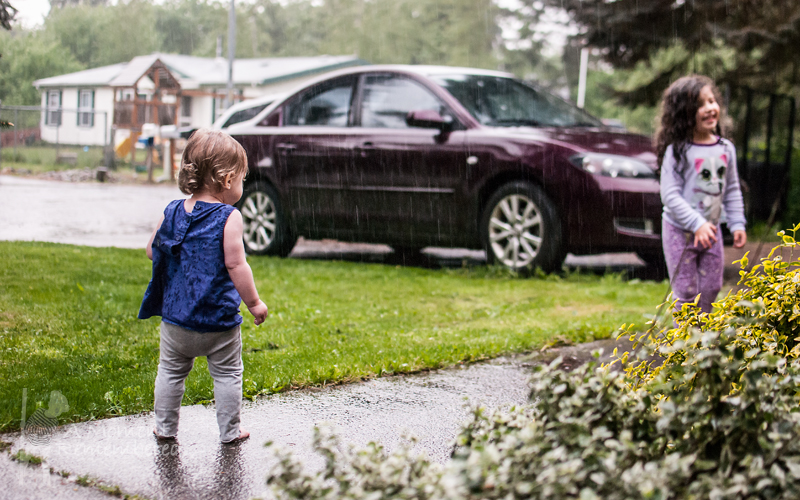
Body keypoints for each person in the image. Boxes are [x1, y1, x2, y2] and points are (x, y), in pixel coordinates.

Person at [139, 128, 269, 443]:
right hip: (217, 322)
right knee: (227, 375)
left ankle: (165, 428)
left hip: (176, 319)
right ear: (226, 179)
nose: (242, 184)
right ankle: (229, 431)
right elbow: (237, 265)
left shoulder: (171, 210)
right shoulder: (229, 217)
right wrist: (254, 303)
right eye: (241, 178)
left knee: (170, 374)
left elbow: (151, 249)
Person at [655, 75, 747, 314]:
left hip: (711, 232)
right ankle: (684, 346)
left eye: (711, 101)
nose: (709, 108)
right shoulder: (677, 151)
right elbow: (670, 195)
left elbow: (732, 189)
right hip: (679, 231)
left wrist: (737, 223)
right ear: (684, 113)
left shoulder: (726, 149)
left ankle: (702, 342)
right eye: (699, 105)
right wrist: (696, 224)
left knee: (711, 287)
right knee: (685, 291)